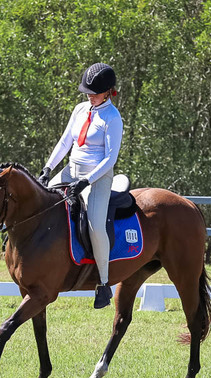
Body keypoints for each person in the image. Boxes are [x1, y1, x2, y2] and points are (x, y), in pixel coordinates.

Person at [37, 63, 124, 309]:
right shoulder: (79, 109)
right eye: (87, 91)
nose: (89, 95)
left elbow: (110, 158)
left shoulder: (112, 118)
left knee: (96, 226)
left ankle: (105, 283)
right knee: (39, 202)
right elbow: (65, 142)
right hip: (71, 169)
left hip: (97, 177)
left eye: (94, 92)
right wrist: (47, 169)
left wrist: (86, 181)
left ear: (108, 92)